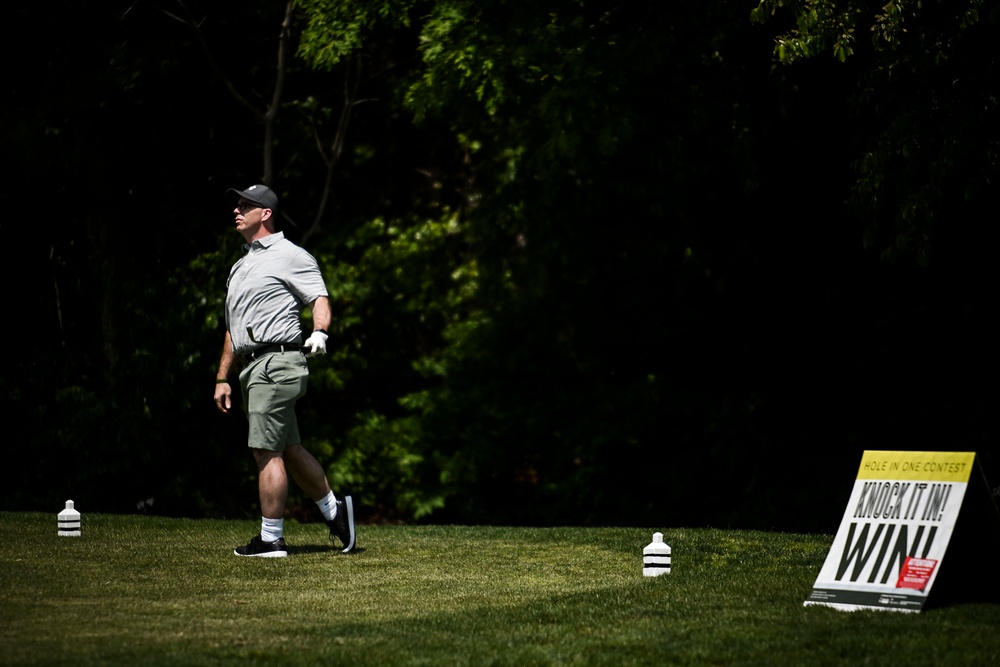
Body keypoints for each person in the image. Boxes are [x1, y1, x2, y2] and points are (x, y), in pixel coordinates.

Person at [213, 183, 356, 557]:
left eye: (246, 205)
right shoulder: (241, 266)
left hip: (277, 361)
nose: (237, 210)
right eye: (237, 204)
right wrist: (222, 377)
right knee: (289, 449)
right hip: (251, 367)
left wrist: (321, 332)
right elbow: (233, 327)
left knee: (265, 451)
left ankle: (271, 538)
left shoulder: (291, 255)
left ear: (266, 214)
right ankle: (335, 513)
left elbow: (318, 297)